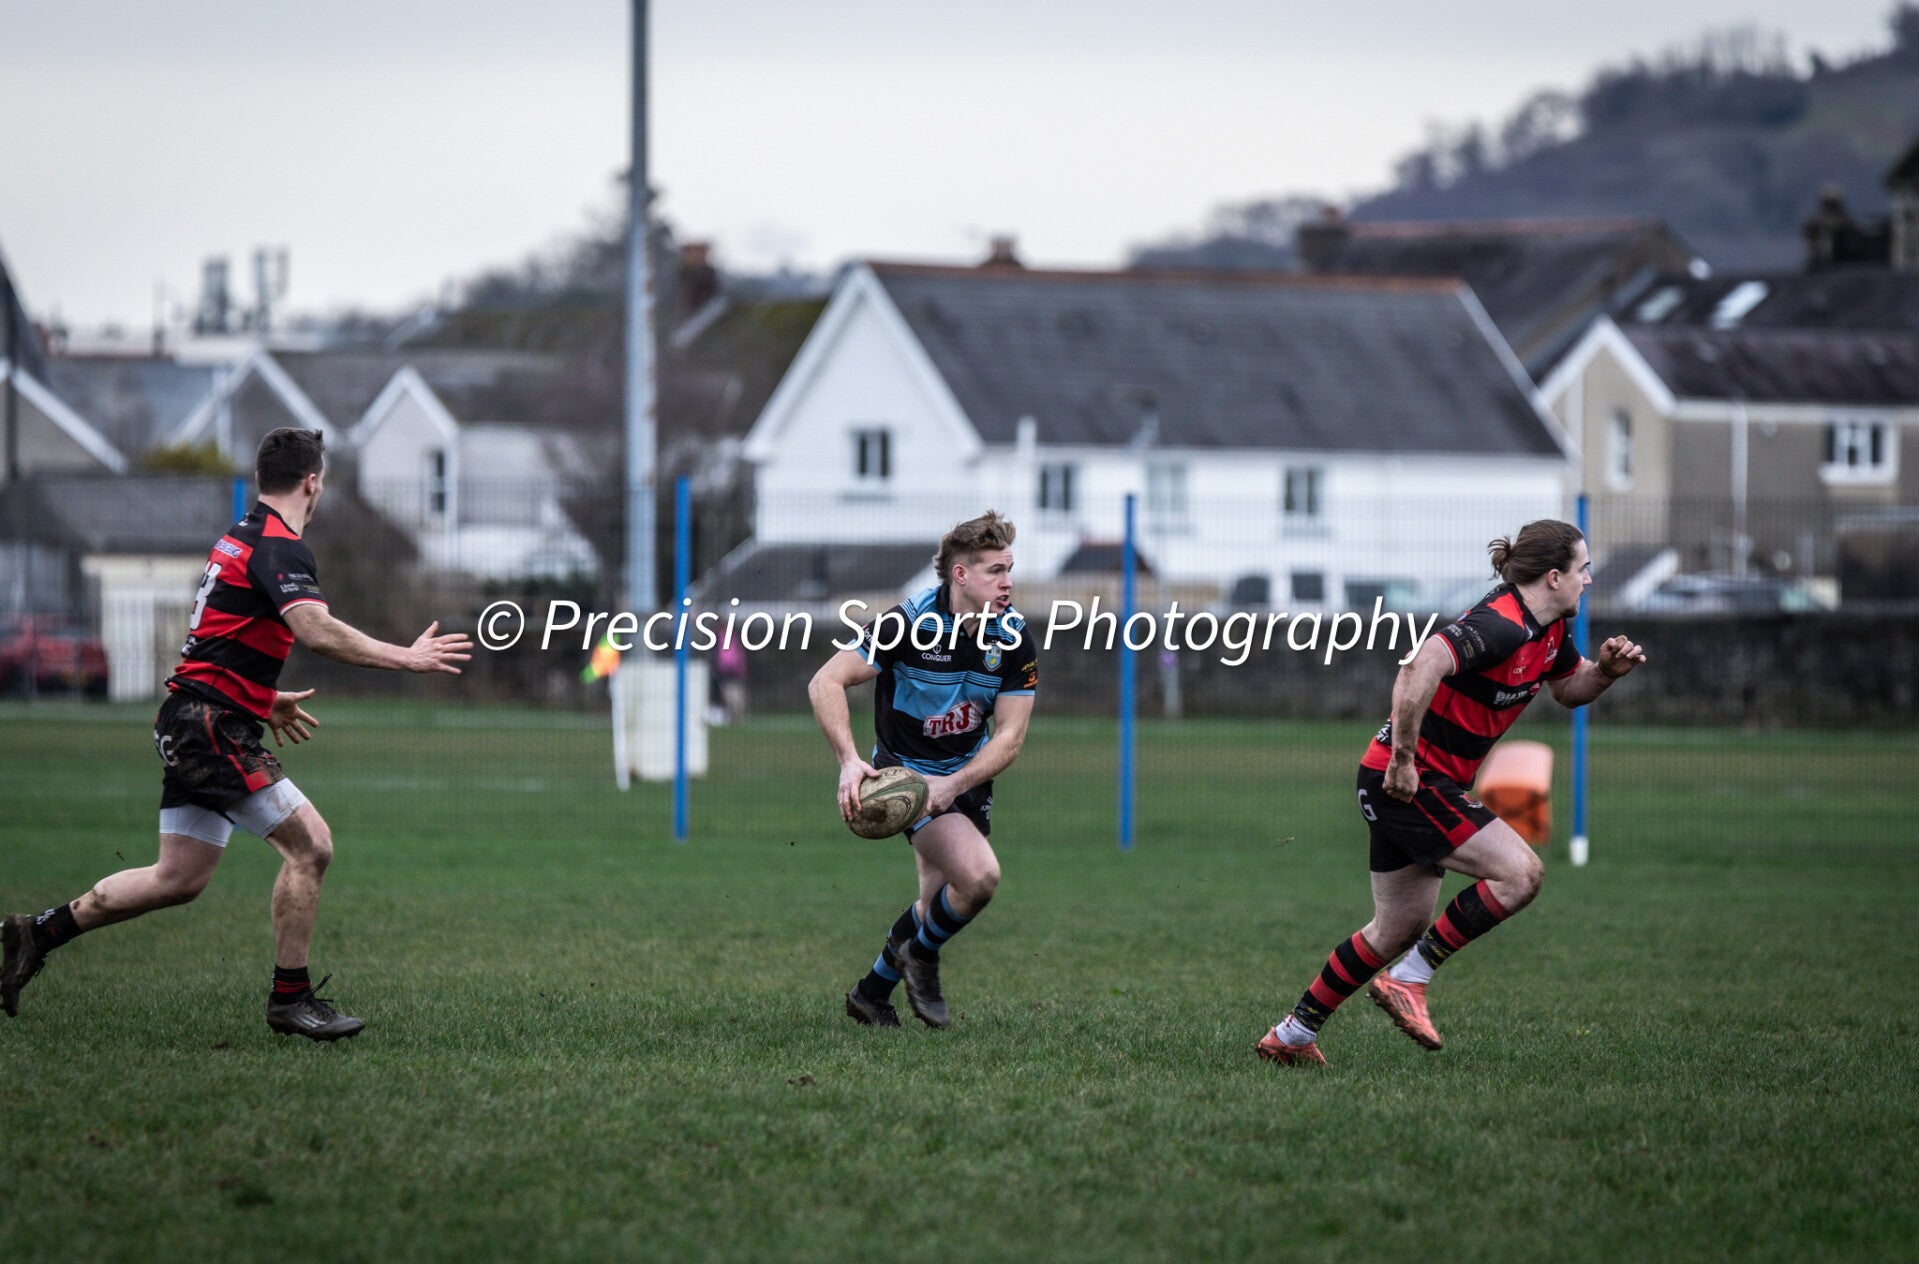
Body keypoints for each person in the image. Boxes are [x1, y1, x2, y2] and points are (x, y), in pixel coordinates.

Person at [1, 428, 472, 1041]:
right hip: (210, 727)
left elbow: (218, 640)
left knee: (178, 878)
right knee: (312, 847)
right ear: (313, 482)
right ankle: (290, 999)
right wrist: (406, 657)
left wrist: (262, 698)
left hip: (193, 717)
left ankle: (35, 933)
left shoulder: (239, 538)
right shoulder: (280, 546)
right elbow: (316, 629)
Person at [1256, 519, 1645, 1066]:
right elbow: (1419, 665)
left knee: (1397, 928)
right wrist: (1404, 759)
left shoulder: (1550, 628)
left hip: (1411, 780)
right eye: (1584, 569)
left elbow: (1567, 689)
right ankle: (1408, 980)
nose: (1589, 579)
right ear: (1554, 577)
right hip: (1411, 779)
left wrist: (1604, 671)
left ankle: (1292, 1035)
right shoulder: (1501, 624)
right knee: (1521, 874)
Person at [808, 511, 1037, 1029]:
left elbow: (1011, 737)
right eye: (995, 571)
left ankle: (871, 993)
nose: (1007, 582)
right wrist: (849, 761)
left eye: (1009, 569)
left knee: (937, 904)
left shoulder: (1012, 637)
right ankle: (922, 956)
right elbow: (825, 682)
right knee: (979, 878)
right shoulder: (906, 625)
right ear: (961, 575)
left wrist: (954, 784)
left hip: (965, 777)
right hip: (907, 777)